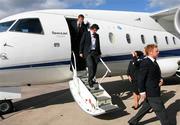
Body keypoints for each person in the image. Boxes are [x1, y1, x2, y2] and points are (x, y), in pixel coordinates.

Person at [128, 44, 170, 125]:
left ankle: (133, 121)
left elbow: (155, 73)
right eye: (156, 51)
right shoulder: (145, 62)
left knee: (146, 107)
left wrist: (160, 78)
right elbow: (141, 78)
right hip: (151, 92)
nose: (158, 52)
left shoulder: (153, 61)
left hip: (154, 89)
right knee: (161, 111)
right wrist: (142, 92)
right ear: (150, 52)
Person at [79, 24, 101, 88]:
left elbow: (98, 45)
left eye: (96, 30)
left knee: (95, 67)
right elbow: (82, 43)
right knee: (90, 66)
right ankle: (90, 81)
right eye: (95, 30)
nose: (95, 31)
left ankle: (91, 79)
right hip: (88, 53)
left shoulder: (97, 35)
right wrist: (80, 52)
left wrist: (99, 53)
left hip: (95, 53)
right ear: (92, 28)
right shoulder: (86, 34)